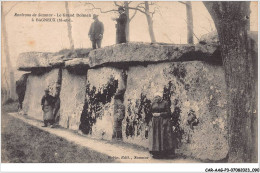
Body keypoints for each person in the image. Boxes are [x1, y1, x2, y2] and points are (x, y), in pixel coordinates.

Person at [148, 93, 175, 159]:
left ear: (160, 97)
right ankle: (156, 153)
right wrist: (152, 117)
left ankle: (165, 153)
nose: (156, 98)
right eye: (155, 97)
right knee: (156, 137)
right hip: (155, 123)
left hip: (163, 122)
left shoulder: (165, 103)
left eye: (158, 97)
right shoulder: (153, 103)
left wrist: (160, 114)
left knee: (163, 137)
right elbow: (150, 112)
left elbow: (169, 113)